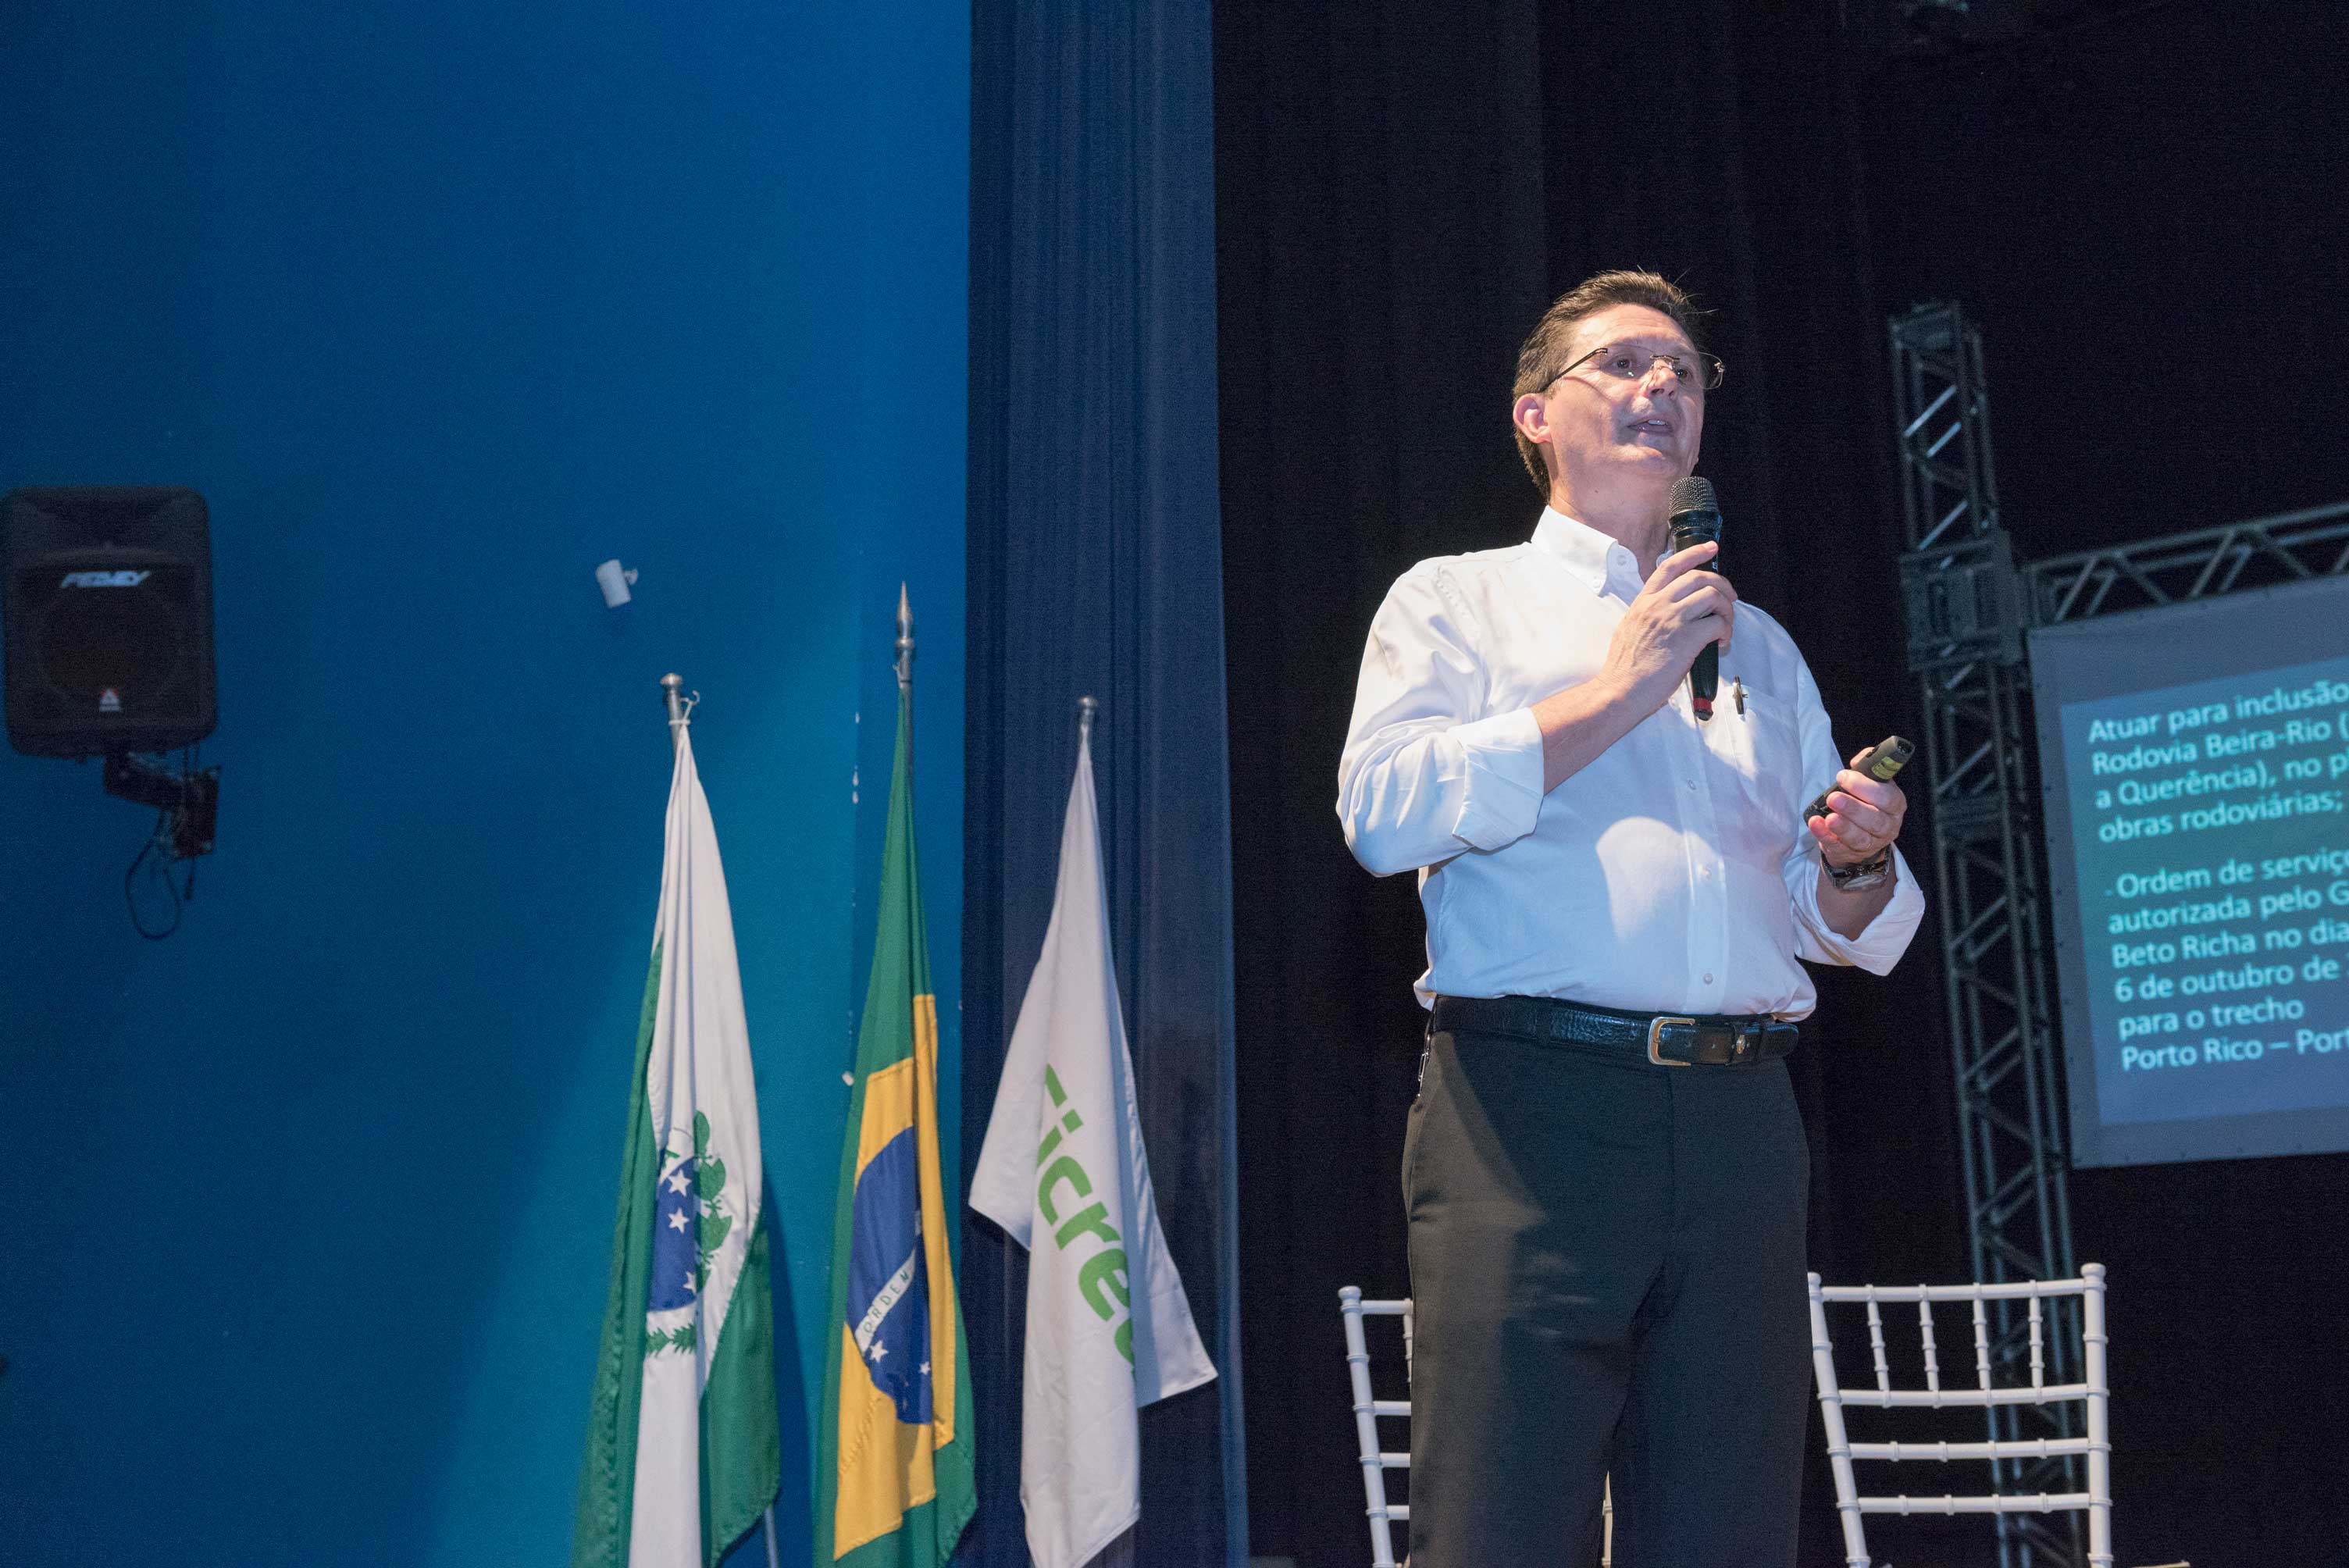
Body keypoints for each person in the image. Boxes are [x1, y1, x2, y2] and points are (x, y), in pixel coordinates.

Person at [1335, 270, 1925, 1566]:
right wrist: (1623, 684)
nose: (1662, 384)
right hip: (1530, 1112)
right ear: (1534, 414)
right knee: (1500, 1525)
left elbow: (1816, 912)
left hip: (1741, 1122)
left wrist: (1860, 860)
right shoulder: (1456, 601)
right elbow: (1380, 814)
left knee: (1728, 1530)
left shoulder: (1761, 646)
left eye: (1685, 372)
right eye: (1621, 363)